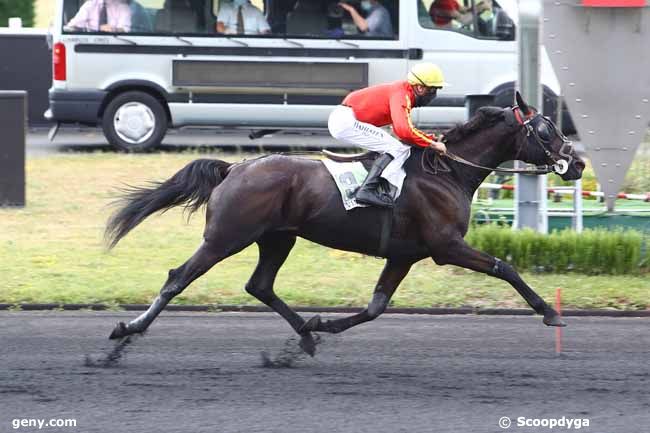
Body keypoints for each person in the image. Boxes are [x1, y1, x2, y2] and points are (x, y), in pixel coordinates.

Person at [327, 63, 448, 208]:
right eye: (433, 90)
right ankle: (366, 191)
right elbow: (404, 131)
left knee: (397, 146)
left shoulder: (404, 92)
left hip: (345, 119)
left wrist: (428, 138)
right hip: (345, 121)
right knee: (396, 148)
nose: (434, 95)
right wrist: (433, 144)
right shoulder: (402, 95)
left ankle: (376, 185)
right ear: (420, 88)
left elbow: (401, 131)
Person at [65, 0, 132, 32]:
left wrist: (114, 30)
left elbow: (125, 30)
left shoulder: (123, 7)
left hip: (115, 46)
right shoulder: (90, 4)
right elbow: (72, 26)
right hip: (90, 45)